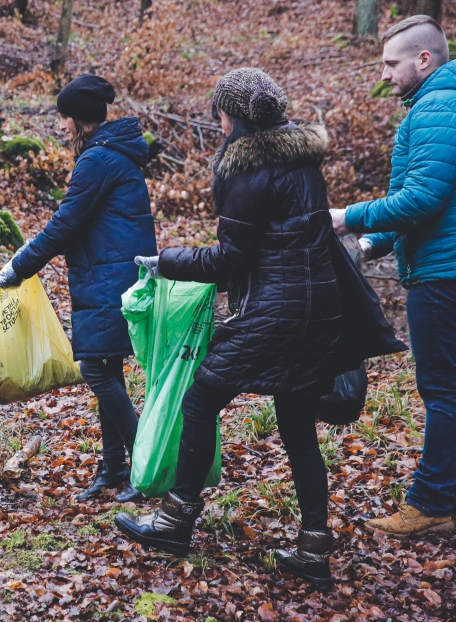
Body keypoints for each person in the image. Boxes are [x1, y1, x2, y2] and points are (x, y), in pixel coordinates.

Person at [119, 68, 403, 585]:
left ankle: (174, 521)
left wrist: (167, 260)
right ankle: (314, 550)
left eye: (221, 113)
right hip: (320, 311)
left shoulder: (246, 167)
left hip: (277, 313)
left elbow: (231, 259)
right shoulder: (301, 160)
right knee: (296, 424)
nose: (220, 122)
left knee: (201, 397)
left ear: (234, 115)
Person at [0, 74, 157, 503]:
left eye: (64, 117)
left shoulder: (98, 161)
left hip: (110, 275)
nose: (61, 125)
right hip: (108, 272)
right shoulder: (109, 155)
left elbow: (64, 225)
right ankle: (114, 467)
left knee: (94, 368)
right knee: (107, 366)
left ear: (79, 120)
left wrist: (19, 267)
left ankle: (146, 459)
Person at [331, 15, 456, 537]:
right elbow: (419, 210)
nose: (384, 75)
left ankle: (432, 505)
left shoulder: (436, 109)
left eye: (391, 63)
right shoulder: (435, 108)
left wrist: (347, 217)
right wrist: (368, 244)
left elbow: (422, 200)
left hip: (440, 277)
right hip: (440, 265)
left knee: (442, 391)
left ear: (423, 59)